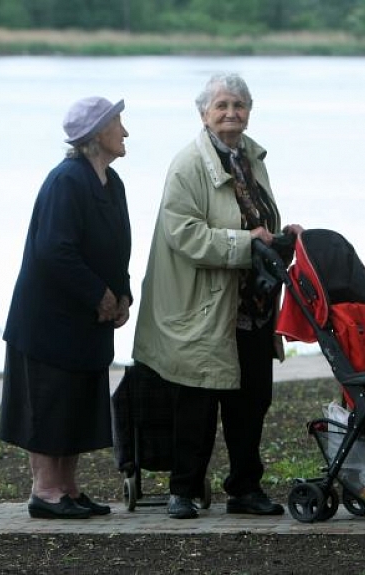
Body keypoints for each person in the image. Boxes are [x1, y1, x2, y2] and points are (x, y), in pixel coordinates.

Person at [132, 72, 302, 519]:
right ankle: (183, 491)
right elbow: (184, 234)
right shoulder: (188, 164)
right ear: (203, 113)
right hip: (205, 305)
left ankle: (245, 489)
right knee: (197, 405)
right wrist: (248, 243)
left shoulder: (252, 157)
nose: (232, 113)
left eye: (239, 106)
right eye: (222, 106)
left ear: (250, 111)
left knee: (251, 405)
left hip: (253, 306)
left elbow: (257, 218)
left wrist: (284, 236)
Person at [0, 96, 131, 519]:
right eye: (118, 124)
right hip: (50, 320)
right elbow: (54, 250)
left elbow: (119, 248)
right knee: (51, 402)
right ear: (96, 136)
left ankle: (69, 488)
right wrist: (99, 294)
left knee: (78, 401)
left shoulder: (112, 182)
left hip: (88, 320)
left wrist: (123, 292)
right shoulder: (66, 180)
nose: (125, 132)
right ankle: (46, 491)